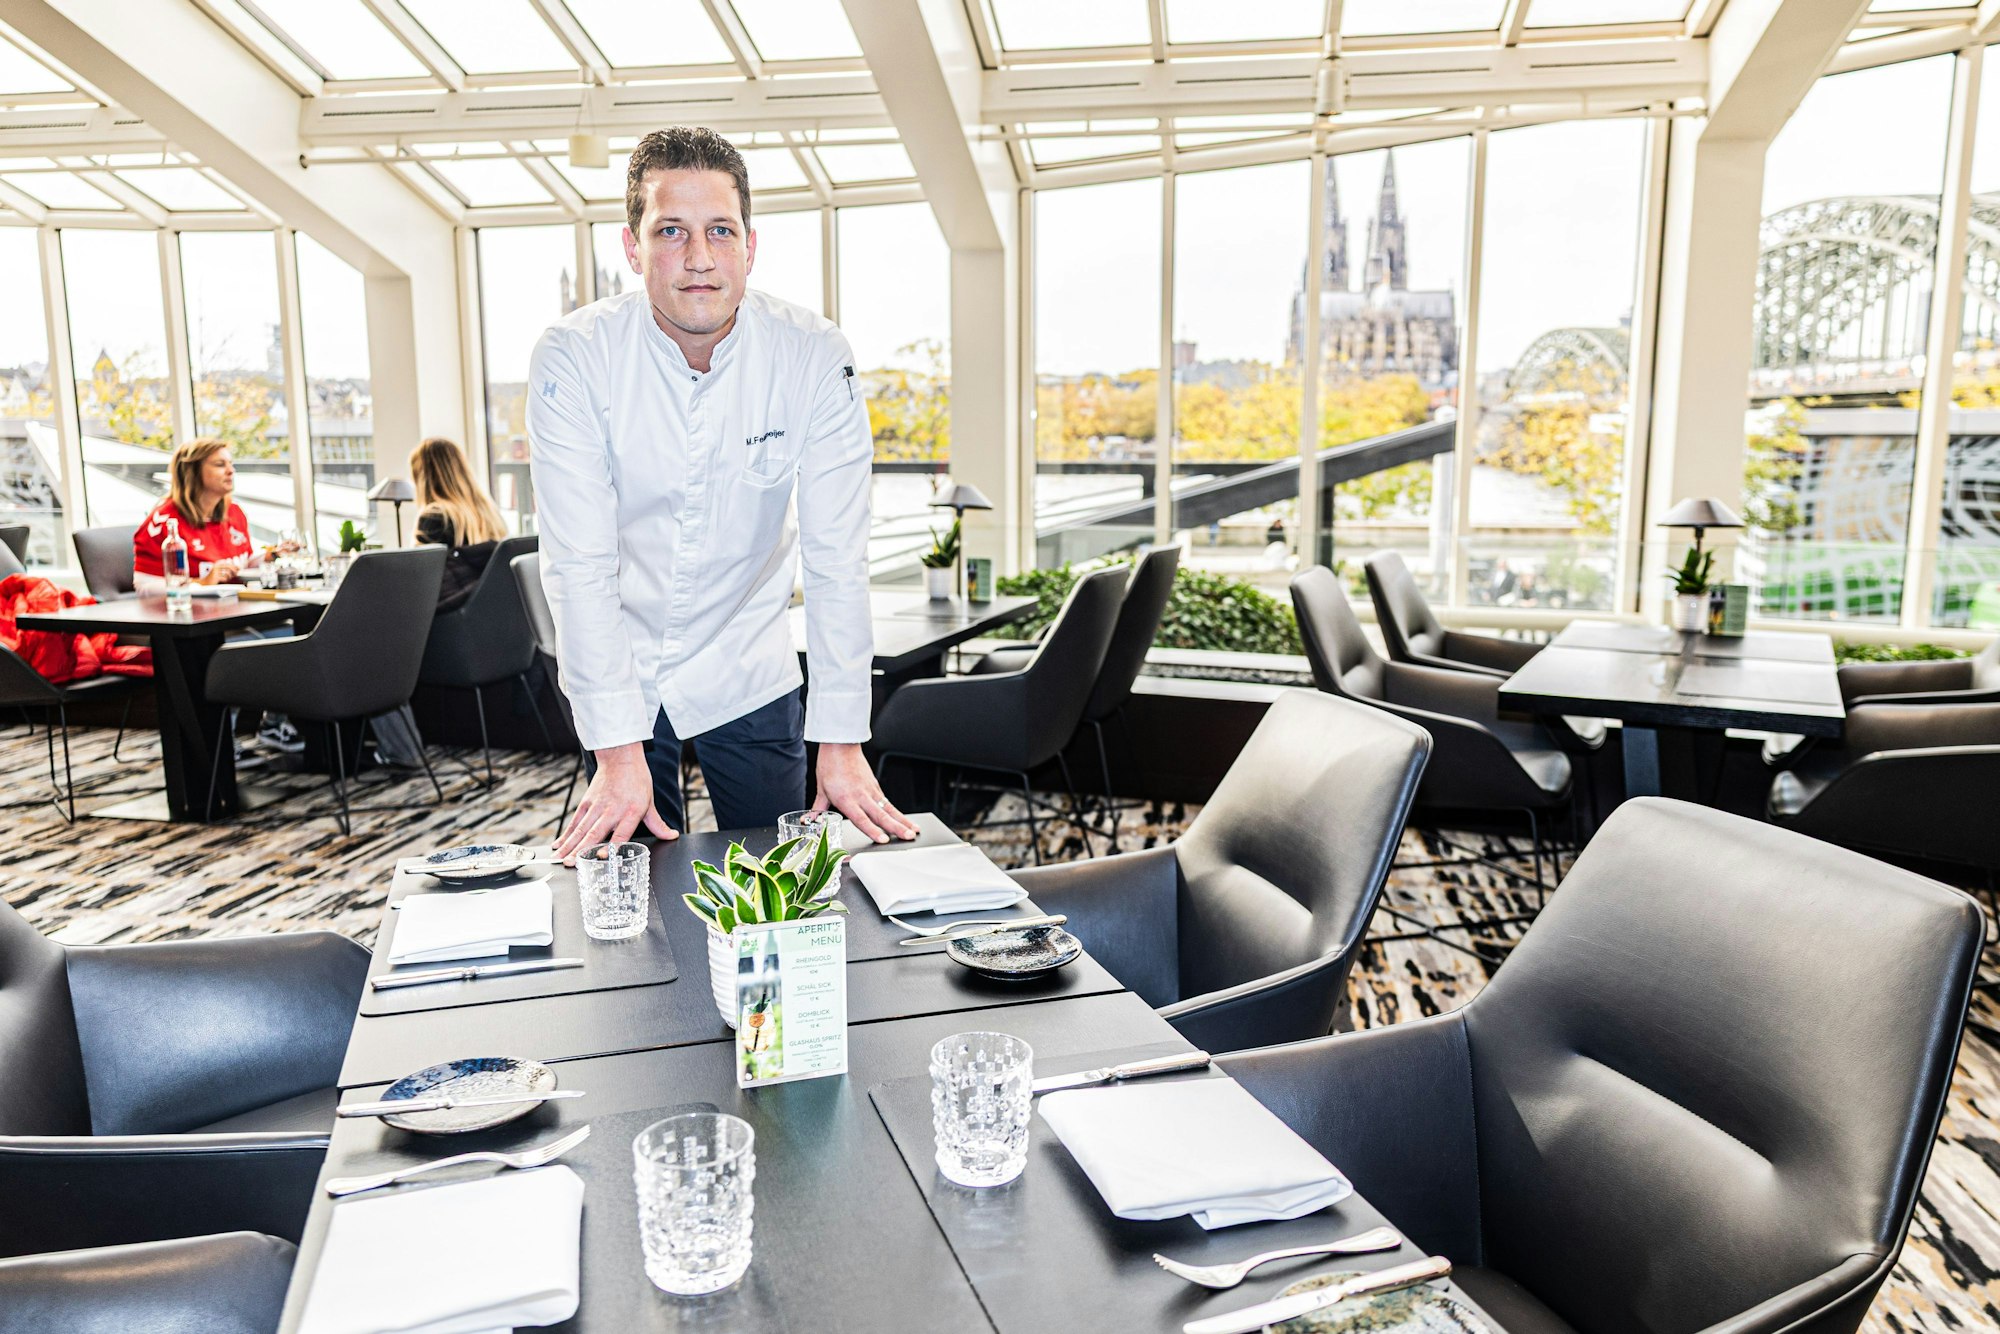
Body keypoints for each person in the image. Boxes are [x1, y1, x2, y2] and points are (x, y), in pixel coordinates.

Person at [528, 126, 917, 856]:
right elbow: (579, 563)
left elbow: (837, 558)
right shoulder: (575, 358)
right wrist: (615, 752)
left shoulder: (811, 355)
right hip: (623, 661)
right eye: (671, 231)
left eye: (720, 231)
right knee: (634, 895)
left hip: (749, 660)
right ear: (633, 247)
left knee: (780, 885)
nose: (699, 258)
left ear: (750, 245)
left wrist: (841, 737)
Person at [132, 436, 301, 751]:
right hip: (193, 630)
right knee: (264, 647)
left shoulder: (233, 512)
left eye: (231, 464)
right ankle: (221, 739)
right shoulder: (164, 523)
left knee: (289, 634)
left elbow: (238, 562)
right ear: (194, 472)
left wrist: (269, 556)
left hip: (236, 615)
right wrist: (199, 583)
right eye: (220, 464)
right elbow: (143, 587)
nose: (231, 471)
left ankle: (274, 725)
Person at [410, 436, 509, 612]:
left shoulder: (434, 517)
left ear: (422, 476)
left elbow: (422, 583)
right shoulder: (489, 513)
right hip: (492, 614)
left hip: (451, 622)